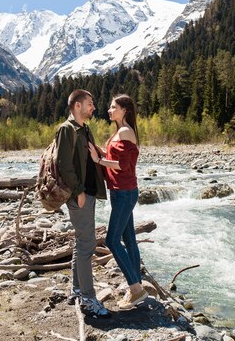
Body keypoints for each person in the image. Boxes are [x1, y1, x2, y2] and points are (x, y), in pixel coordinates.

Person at [88, 94, 148, 310]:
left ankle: (136, 290)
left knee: (112, 241)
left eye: (113, 107)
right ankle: (137, 286)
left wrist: (99, 160)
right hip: (123, 192)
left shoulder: (124, 132)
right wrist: (99, 151)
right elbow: (118, 159)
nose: (109, 110)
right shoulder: (121, 132)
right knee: (129, 238)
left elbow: (123, 165)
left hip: (124, 193)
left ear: (125, 110)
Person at [56, 89, 110, 318]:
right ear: (77, 106)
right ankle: (88, 298)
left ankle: (77, 289)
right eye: (90, 103)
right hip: (79, 195)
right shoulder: (66, 130)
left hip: (87, 193)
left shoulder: (84, 129)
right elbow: (63, 164)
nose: (93, 107)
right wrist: (78, 192)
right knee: (87, 244)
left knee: (82, 242)